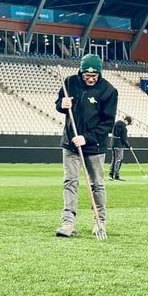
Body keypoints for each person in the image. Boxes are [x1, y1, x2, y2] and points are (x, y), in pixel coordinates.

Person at [54, 54, 118, 238]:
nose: (90, 79)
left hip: (95, 146)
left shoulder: (109, 91)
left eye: (94, 76)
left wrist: (86, 138)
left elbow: (107, 124)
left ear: (100, 74)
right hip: (70, 144)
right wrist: (61, 104)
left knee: (96, 184)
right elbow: (58, 104)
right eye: (87, 76)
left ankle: (100, 222)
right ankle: (68, 223)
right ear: (81, 72)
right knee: (70, 182)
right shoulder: (69, 82)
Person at [109, 115, 132, 181]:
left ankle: (111, 174)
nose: (128, 125)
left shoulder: (116, 123)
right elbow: (124, 139)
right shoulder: (124, 127)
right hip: (119, 145)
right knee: (119, 160)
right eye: (128, 123)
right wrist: (129, 147)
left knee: (114, 159)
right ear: (127, 121)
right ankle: (116, 175)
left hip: (113, 143)